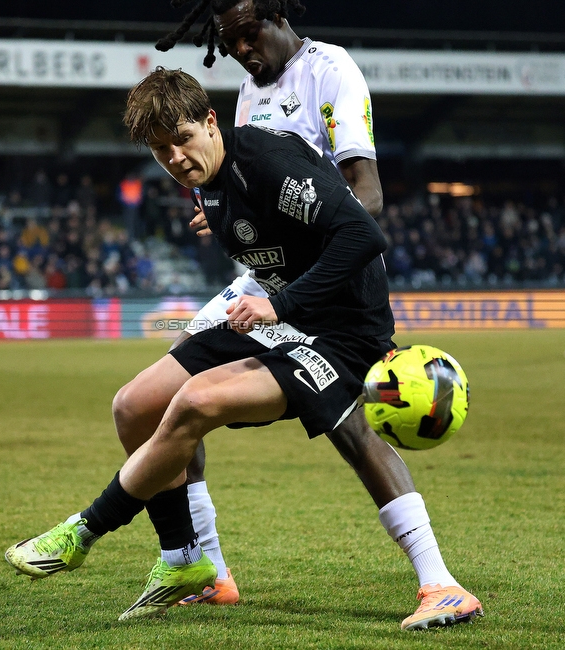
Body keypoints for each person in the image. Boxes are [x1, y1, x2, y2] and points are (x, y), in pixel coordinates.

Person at [5, 69, 482, 630]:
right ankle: (191, 563)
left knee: (203, 403)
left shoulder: (266, 162)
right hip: (279, 317)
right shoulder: (211, 178)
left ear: (211, 122)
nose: (176, 157)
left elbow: (363, 234)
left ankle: (83, 531)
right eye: (160, 150)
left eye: (183, 139)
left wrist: (281, 304)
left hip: (342, 333)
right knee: (135, 405)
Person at [126, 0, 384, 605]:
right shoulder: (248, 92)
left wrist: (299, 274)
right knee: (154, 398)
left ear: (280, 16)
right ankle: (206, 568)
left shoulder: (330, 71)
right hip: (264, 278)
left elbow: (364, 200)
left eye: (249, 33)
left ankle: (435, 574)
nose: (241, 49)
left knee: (344, 423)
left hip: (326, 281)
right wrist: (220, 211)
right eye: (228, 40)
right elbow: (240, 182)